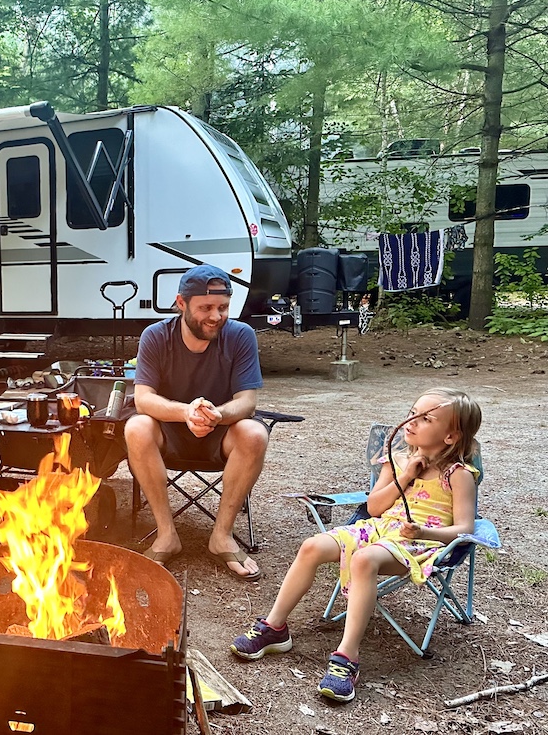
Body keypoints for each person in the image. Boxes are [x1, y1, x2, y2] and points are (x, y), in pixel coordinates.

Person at [229, 387, 482, 703]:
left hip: (418, 543)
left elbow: (465, 529)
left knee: (363, 560)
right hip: (379, 529)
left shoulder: (459, 475)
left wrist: (422, 533)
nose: (411, 422)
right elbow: (375, 507)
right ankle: (275, 627)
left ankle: (347, 657)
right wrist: (405, 476)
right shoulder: (397, 458)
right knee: (311, 546)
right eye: (412, 412)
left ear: (450, 437)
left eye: (425, 418)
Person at [125, 264, 268, 580]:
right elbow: (143, 398)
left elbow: (247, 402)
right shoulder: (156, 336)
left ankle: (222, 536)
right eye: (206, 308)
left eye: (223, 308)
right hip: (170, 436)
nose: (216, 316)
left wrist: (218, 416)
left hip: (220, 436)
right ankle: (166, 535)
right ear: (181, 303)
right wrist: (185, 413)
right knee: (136, 426)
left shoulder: (240, 336)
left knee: (254, 432)